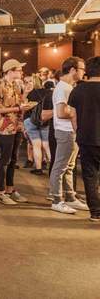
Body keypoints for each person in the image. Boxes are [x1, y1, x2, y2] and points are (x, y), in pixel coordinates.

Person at [50, 57, 89, 214]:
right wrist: (78, 112)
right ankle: (56, 200)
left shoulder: (68, 87)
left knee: (69, 167)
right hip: (65, 131)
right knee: (60, 166)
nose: (83, 73)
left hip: (71, 132)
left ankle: (70, 197)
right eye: (81, 69)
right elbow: (60, 112)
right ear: (72, 70)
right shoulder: (63, 88)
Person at [0, 59, 33, 206]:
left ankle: (10, 189)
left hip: (17, 126)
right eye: (19, 70)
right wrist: (18, 109)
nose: (22, 72)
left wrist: (26, 93)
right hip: (4, 127)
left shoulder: (17, 85)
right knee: (3, 160)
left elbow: (20, 103)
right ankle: (0, 192)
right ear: (10, 71)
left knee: (13, 160)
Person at [68, 56, 100, 222]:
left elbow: (72, 115)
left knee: (90, 175)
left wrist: (78, 131)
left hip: (86, 138)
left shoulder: (78, 90)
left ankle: (95, 212)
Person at [24, 74, 53, 175]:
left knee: (36, 145)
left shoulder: (29, 94)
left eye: (29, 82)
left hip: (30, 121)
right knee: (46, 144)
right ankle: (53, 168)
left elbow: (23, 107)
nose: (27, 84)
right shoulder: (49, 92)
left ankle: (38, 168)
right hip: (45, 120)